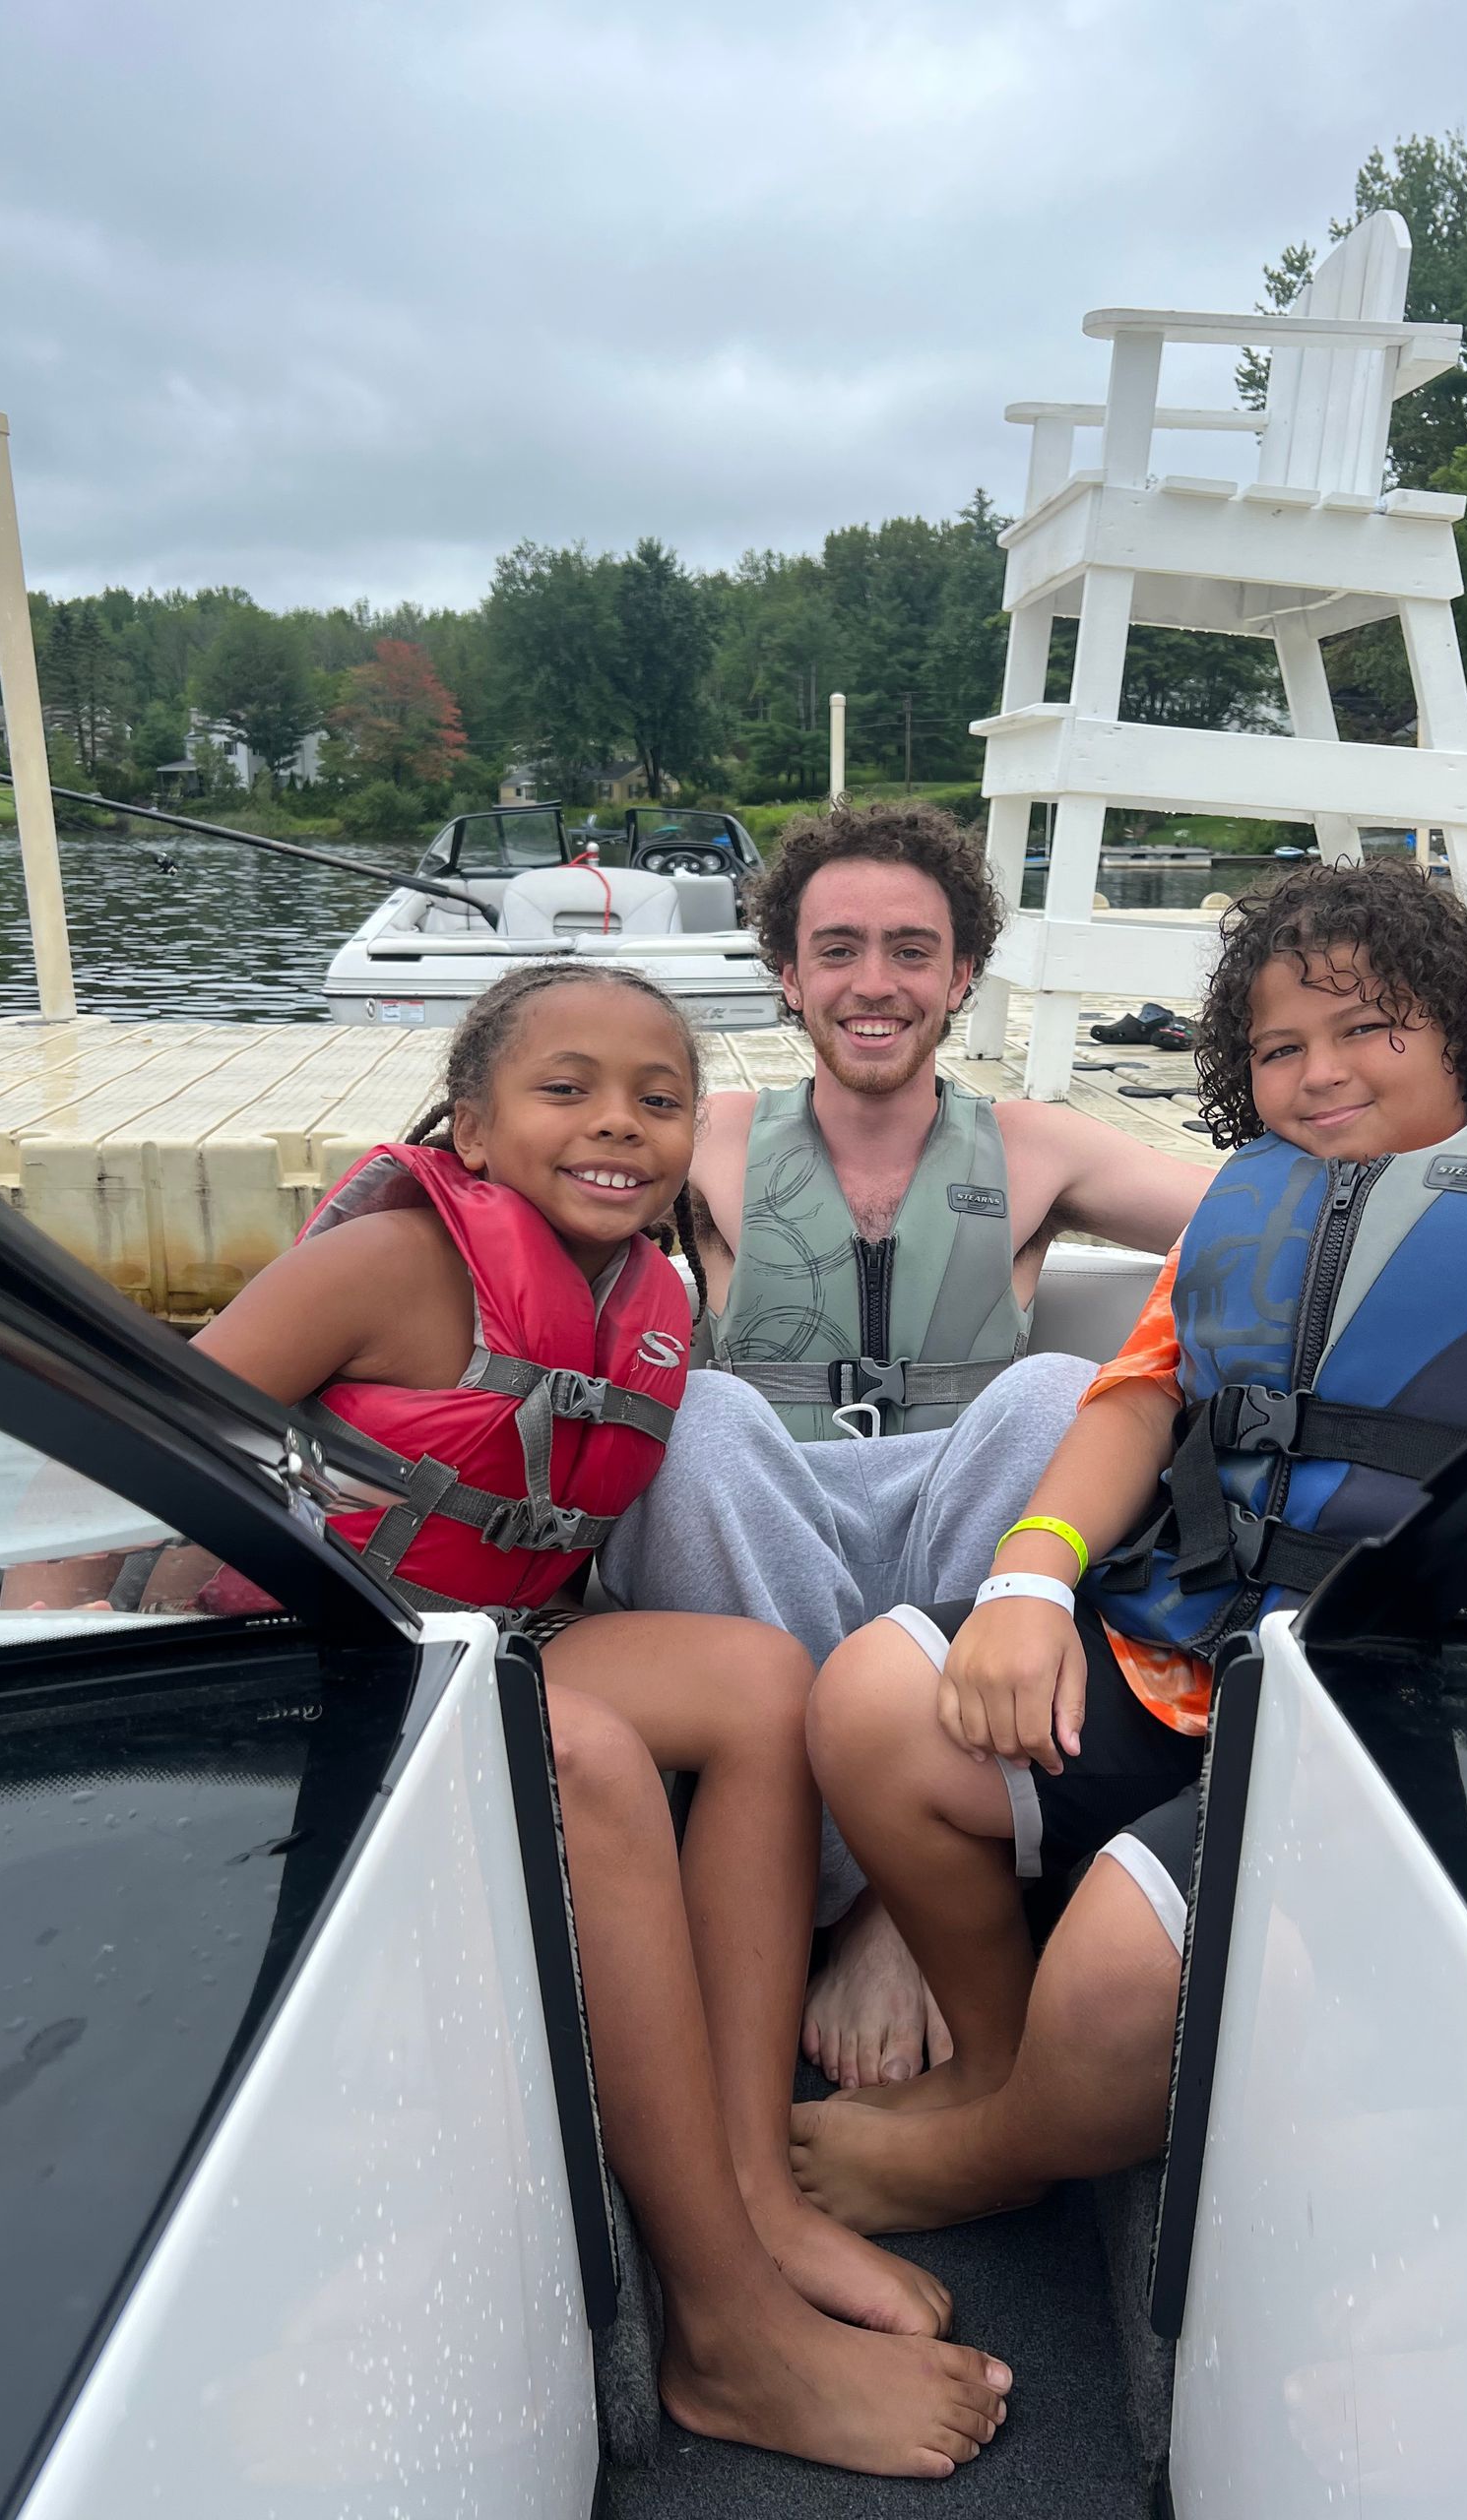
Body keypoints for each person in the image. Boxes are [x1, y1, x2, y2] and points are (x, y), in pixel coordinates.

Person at [788, 859, 1467, 2237]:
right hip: (1191, 1653)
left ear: (1460, 1030)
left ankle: (1001, 2150)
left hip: (1410, 1709)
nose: (1321, 1073)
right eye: (1281, 1047)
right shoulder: (1250, 1206)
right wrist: (1025, 1580)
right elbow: (1133, 1400)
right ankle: (1003, 2071)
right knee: (873, 1698)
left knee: (1120, 1971)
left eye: (1371, 1028)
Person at [186, 963, 1012, 2480]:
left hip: (475, 1637)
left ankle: (756, 2181)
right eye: (566, 1091)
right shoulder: (383, 1261)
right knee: (589, 1758)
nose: (618, 1124)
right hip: (305, 1659)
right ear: (477, 1129)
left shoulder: (651, 1297)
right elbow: (154, 1435)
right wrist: (56, 1622)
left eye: (660, 1098)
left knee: (763, 1681)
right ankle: (724, 2330)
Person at [598, 800, 1208, 2091]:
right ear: (788, 974)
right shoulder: (696, 1141)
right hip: (769, 1529)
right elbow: (506, 1200)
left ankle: (893, 1903)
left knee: (1054, 1390)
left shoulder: (1036, 1145)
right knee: (697, 1419)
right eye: (839, 949)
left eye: (912, 951)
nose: (874, 984)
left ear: (963, 975)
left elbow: (1260, 1222)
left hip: (968, 1550)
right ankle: (839, 1872)